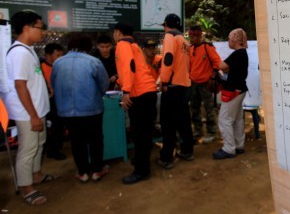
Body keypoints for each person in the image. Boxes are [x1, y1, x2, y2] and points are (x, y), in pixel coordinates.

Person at [2, 11, 51, 205]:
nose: (43, 32)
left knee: (39, 144)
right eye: (40, 27)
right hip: (28, 113)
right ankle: (26, 188)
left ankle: (36, 175)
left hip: (37, 111)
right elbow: (20, 86)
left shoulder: (28, 49)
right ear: (26, 28)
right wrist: (33, 116)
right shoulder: (20, 53)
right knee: (28, 149)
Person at [51, 34, 109, 183]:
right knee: (95, 139)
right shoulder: (93, 62)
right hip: (91, 109)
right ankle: (97, 170)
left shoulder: (58, 63)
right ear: (88, 48)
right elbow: (104, 84)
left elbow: (53, 83)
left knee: (77, 141)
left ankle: (82, 172)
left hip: (67, 111)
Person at [113, 22, 157, 184]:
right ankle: (141, 162)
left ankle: (142, 171)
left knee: (140, 135)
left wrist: (126, 91)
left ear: (118, 32)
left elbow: (129, 67)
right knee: (144, 133)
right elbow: (135, 68)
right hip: (148, 92)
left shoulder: (122, 44)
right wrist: (120, 81)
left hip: (140, 94)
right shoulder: (134, 45)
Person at [158, 13, 194, 170]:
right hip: (184, 85)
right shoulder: (184, 40)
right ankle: (187, 151)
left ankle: (167, 158)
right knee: (184, 120)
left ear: (166, 24)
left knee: (168, 123)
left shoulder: (169, 37)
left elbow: (168, 59)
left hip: (172, 86)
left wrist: (164, 81)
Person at [213, 28, 249, 159]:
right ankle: (239, 146)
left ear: (235, 39)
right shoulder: (243, 53)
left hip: (233, 91)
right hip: (240, 90)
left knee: (224, 120)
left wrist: (214, 56)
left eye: (229, 38)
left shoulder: (237, 54)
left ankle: (229, 148)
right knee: (237, 119)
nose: (228, 40)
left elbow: (221, 66)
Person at [188, 25, 221, 143]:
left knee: (209, 108)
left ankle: (211, 132)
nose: (193, 38)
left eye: (195, 35)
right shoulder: (190, 48)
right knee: (194, 108)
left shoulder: (207, 47)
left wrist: (212, 77)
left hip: (205, 83)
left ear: (200, 35)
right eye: (191, 35)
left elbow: (217, 62)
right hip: (193, 83)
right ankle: (197, 132)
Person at [40, 43, 66, 160]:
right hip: (47, 102)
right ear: (48, 55)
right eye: (58, 55)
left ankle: (55, 149)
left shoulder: (60, 67)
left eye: (62, 55)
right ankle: (52, 150)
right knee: (53, 126)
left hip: (60, 101)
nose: (60, 57)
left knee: (59, 126)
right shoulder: (40, 68)